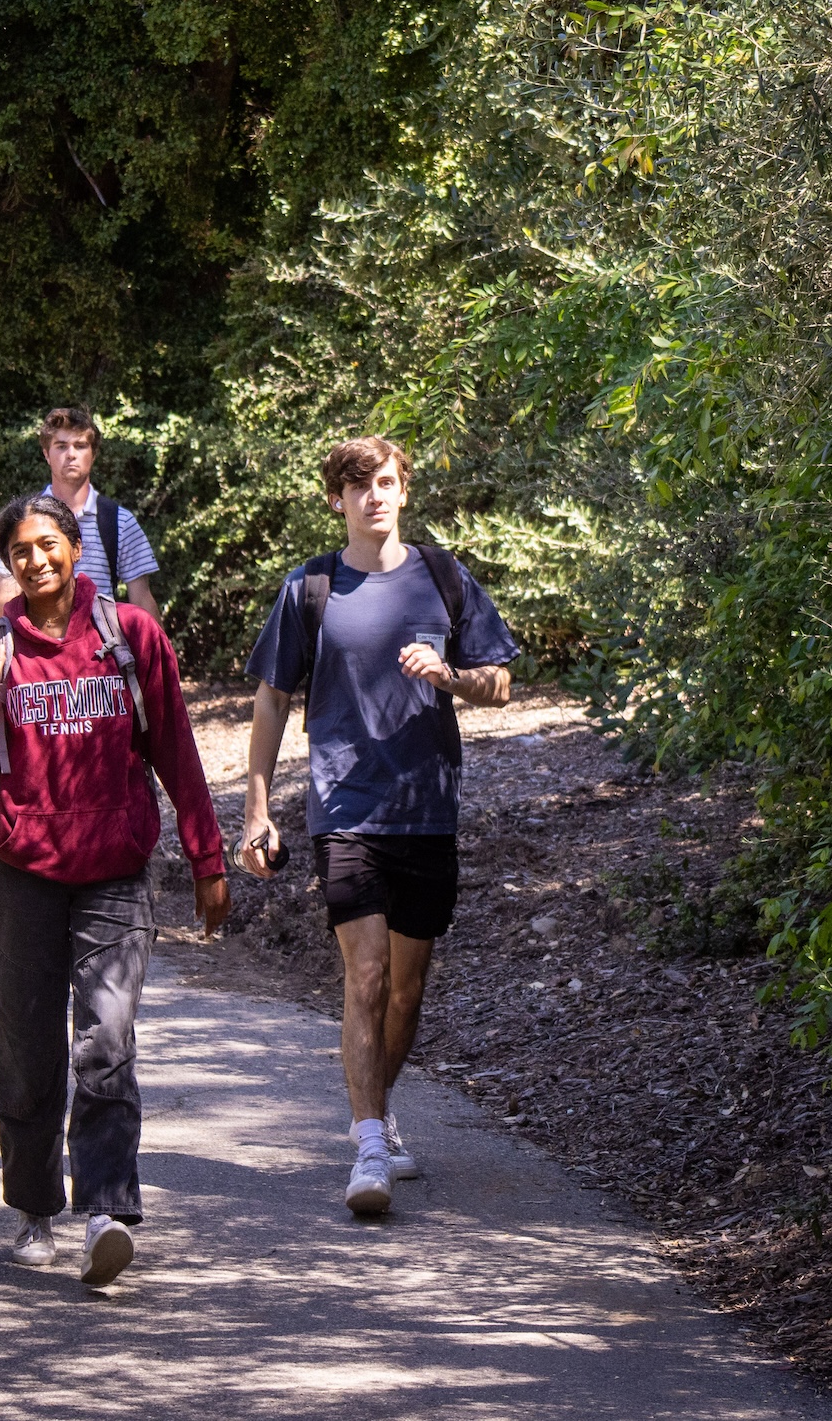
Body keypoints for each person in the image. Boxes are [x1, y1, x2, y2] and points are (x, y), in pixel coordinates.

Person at [0, 492, 227, 1286]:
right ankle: (35, 1206)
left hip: (116, 871)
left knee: (106, 1040)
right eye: (19, 551)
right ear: (8, 564)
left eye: (48, 543)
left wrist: (209, 860)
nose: (36, 560)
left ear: (74, 548)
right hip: (22, 876)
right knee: (28, 1053)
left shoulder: (131, 635)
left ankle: (105, 1207)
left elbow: (176, 750)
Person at [236, 436, 520, 1216]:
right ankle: (367, 1145)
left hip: (426, 808)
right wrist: (257, 807)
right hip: (345, 806)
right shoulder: (311, 587)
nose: (374, 497)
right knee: (364, 977)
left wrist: (450, 674)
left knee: (405, 988)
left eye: (386, 482)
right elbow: (271, 701)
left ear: (403, 490)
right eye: (357, 486)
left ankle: (380, 1111)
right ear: (337, 499)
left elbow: (499, 681)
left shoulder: (443, 576)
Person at [0, 406, 161, 620]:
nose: (71, 455)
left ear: (93, 454)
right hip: (37, 647)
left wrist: (155, 652)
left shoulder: (119, 522)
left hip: (101, 648)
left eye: (80, 446)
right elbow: (5, 598)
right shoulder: (18, 522)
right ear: (46, 454)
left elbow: (142, 601)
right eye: (61, 446)